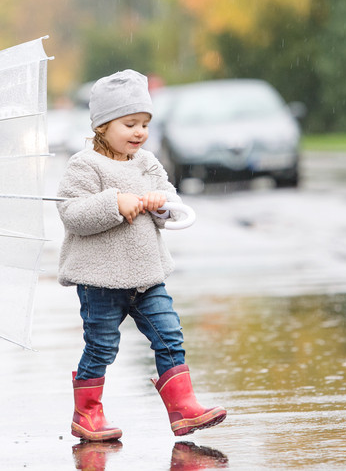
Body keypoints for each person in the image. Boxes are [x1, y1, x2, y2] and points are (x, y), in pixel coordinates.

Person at [56, 70, 227, 441]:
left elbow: (173, 207)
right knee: (101, 345)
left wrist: (161, 205)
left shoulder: (146, 163)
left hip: (147, 276)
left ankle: (183, 408)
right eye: (129, 123)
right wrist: (113, 203)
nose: (139, 132)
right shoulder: (84, 166)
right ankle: (87, 413)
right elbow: (73, 215)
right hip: (100, 280)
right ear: (102, 125)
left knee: (169, 335)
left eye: (145, 124)